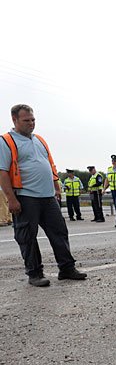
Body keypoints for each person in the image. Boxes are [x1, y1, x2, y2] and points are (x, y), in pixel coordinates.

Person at [0, 104, 87, 286]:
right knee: (27, 236)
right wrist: (12, 199)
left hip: (48, 197)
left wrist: (56, 187)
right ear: (14, 120)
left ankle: (67, 269)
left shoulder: (39, 140)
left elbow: (51, 165)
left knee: (59, 232)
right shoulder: (6, 141)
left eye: (33, 120)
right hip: (25, 196)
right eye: (26, 121)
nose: (31, 124)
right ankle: (35, 273)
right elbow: (2, 172)